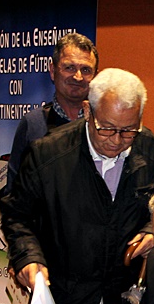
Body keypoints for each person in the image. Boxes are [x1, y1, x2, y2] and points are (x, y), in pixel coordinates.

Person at [0, 68, 154, 304]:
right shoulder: (47, 155)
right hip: (66, 301)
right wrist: (28, 257)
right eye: (107, 128)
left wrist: (151, 229)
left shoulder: (149, 148)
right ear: (88, 111)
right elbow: (17, 216)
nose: (117, 140)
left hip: (124, 303)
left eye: (129, 130)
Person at [6, 32, 99, 192]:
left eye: (85, 70)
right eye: (69, 67)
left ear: (95, 76)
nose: (77, 77)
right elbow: (13, 191)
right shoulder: (33, 124)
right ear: (52, 70)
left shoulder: (106, 126)